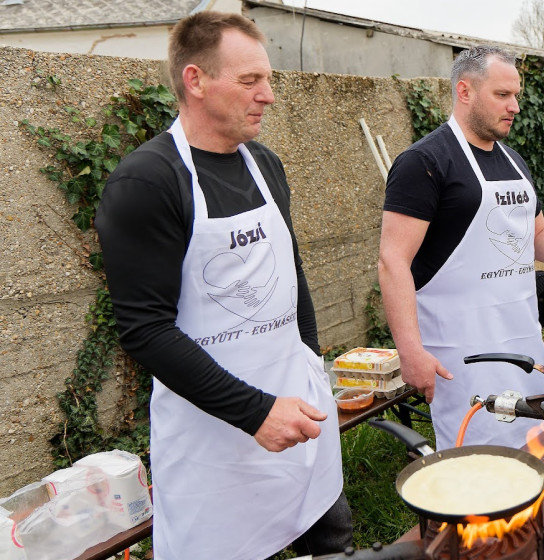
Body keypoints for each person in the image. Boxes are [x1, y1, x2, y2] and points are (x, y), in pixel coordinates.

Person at [94, 12, 352, 560]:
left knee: (330, 541)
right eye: (250, 81)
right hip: (212, 438)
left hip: (297, 411)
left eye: (269, 79)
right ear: (195, 81)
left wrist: (309, 360)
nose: (269, 96)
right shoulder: (147, 182)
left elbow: (291, 272)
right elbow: (144, 330)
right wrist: (255, 412)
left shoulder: (265, 164)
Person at [378, 45, 544, 451]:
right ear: (464, 91)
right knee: (481, 463)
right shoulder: (424, 162)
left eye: (516, 95)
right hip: (464, 355)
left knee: (540, 447)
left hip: (523, 340)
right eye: (502, 95)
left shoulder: (514, 162)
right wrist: (410, 350)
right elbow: (392, 261)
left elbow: (537, 236)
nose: (515, 106)